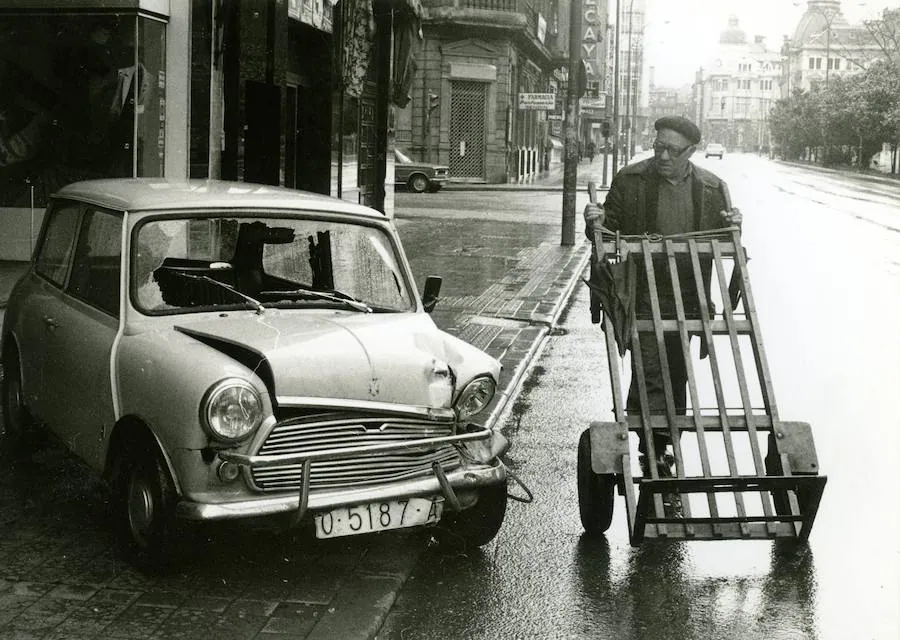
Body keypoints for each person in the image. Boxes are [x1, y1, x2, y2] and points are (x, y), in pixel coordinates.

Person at [583, 115, 743, 481]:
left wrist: (735, 225)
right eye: (658, 147)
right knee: (649, 362)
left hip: (688, 293)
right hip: (640, 290)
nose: (663, 156)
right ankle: (655, 445)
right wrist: (595, 219)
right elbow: (606, 235)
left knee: (675, 366)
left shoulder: (710, 187)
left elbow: (722, 240)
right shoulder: (632, 179)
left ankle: (658, 435)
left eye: (672, 150)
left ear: (691, 151)